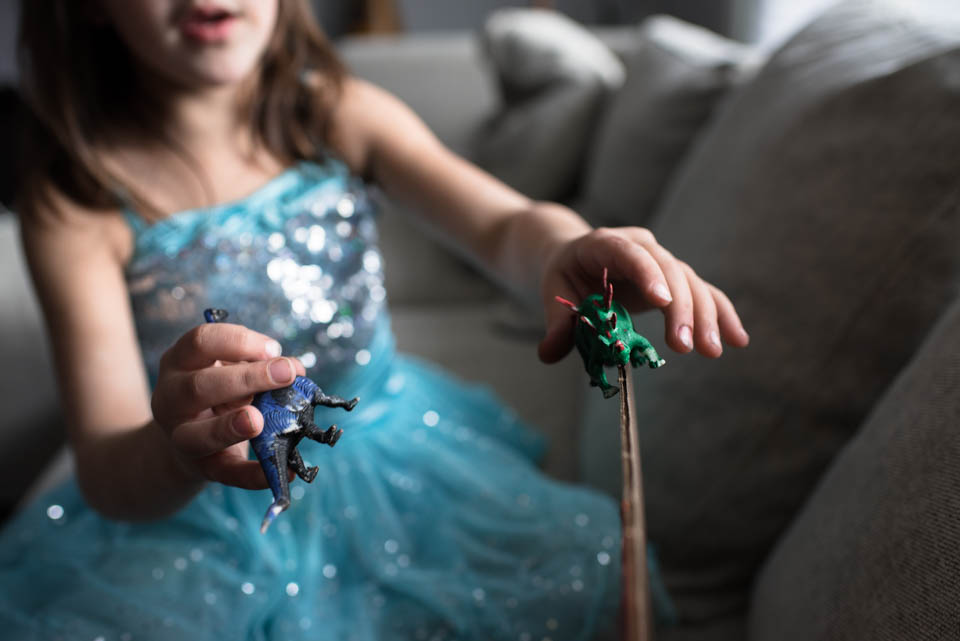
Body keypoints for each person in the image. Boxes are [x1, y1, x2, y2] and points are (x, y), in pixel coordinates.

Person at [1, 1, 749, 639]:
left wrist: (564, 246)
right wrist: (178, 452)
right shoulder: (75, 201)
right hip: (205, 515)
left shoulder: (335, 109)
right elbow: (106, 468)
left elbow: (503, 225)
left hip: (400, 454)